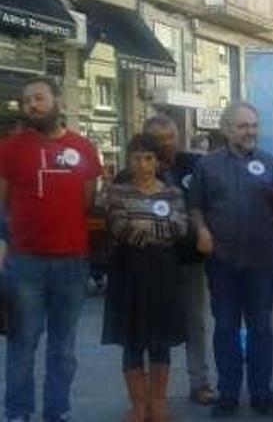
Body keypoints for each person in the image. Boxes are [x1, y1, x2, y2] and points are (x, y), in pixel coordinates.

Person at [0, 76, 101, 422]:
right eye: (27, 101)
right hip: (25, 262)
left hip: (72, 262)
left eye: (39, 98)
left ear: (57, 101)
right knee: (22, 344)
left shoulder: (84, 148)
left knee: (64, 348)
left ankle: (57, 411)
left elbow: (87, 199)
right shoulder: (9, 148)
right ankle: (17, 411)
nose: (32, 105)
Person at [189, 102, 273, 418]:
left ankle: (261, 394)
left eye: (254, 125)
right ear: (226, 129)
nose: (251, 131)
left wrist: (265, 226)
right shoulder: (207, 165)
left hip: (261, 263)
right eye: (243, 125)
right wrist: (202, 231)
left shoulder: (271, 164)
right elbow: (195, 205)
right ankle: (228, 395)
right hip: (222, 263)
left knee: (261, 328)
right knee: (226, 329)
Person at [115, 115, 217, 406]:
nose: (164, 144)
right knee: (148, 327)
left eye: (169, 136)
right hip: (146, 266)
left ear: (178, 135)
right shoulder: (128, 174)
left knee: (194, 322)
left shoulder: (195, 164)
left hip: (187, 261)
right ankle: (147, 398)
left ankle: (200, 383)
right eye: (157, 138)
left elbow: (205, 204)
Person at [102, 134, 189, 422]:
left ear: (157, 160)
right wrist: (156, 234)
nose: (143, 164)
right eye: (137, 158)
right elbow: (119, 226)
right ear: (129, 161)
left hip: (163, 272)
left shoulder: (173, 193)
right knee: (132, 340)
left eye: (149, 158)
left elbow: (181, 227)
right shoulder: (117, 192)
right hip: (127, 271)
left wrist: (147, 232)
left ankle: (158, 403)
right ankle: (138, 405)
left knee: (160, 340)